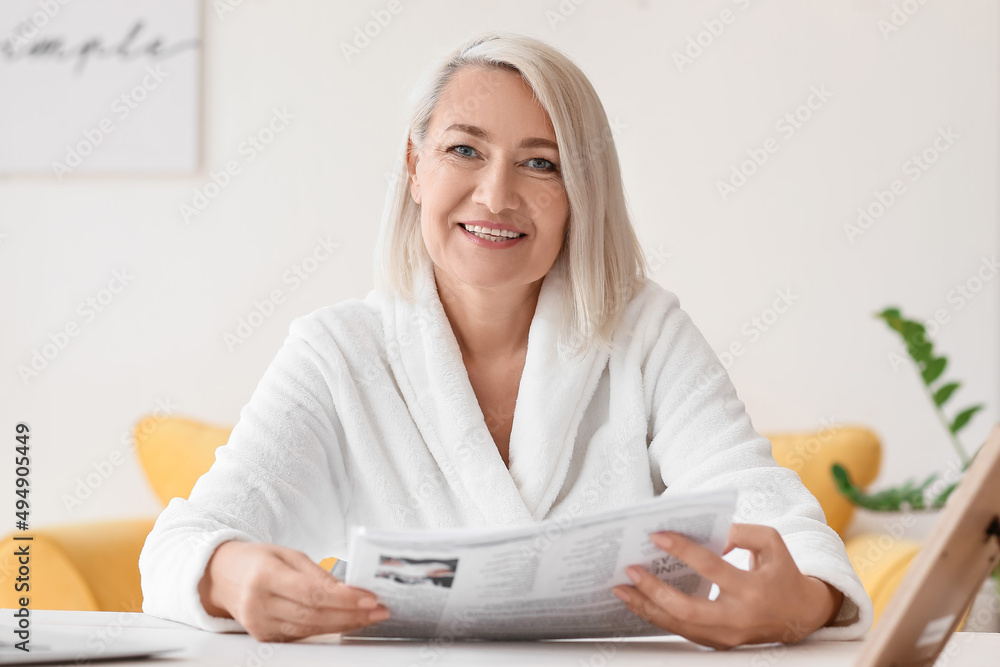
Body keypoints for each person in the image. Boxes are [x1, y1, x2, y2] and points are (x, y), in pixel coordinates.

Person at [139, 31, 873, 649]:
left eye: (540, 162)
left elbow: (775, 516)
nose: (495, 195)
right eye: (464, 150)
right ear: (414, 167)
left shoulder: (645, 331)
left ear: (581, 195)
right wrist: (225, 574)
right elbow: (180, 545)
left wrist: (800, 603)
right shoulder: (336, 351)